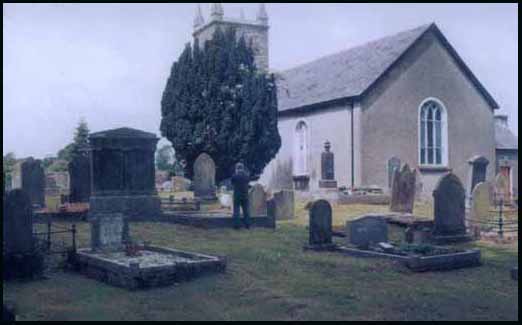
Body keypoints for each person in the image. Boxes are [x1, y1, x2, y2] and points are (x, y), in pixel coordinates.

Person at [231, 162, 251, 229]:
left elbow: (232, 183)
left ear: (236, 168)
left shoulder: (234, 176)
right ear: (242, 168)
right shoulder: (246, 176)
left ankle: (236, 225)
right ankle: (247, 225)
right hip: (245, 195)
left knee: (236, 210)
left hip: (237, 196)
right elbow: (248, 182)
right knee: (246, 210)